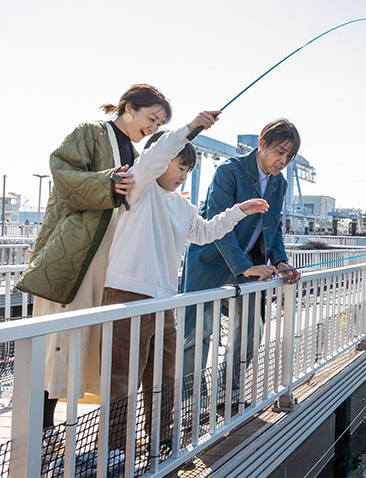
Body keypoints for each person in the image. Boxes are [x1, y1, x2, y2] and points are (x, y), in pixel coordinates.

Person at [101, 118, 270, 451]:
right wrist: (190, 128)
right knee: (122, 377)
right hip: (126, 294)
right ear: (163, 160)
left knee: (164, 375)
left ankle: (161, 440)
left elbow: (204, 233)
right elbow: (154, 156)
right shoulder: (141, 187)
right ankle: (116, 448)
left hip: (164, 299)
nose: (183, 175)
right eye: (181, 166)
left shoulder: (182, 205)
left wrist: (239, 211)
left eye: (188, 169)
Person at [15, 83, 171, 436]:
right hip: (77, 254)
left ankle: (67, 429)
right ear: (128, 107)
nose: (154, 127)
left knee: (86, 342)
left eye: (160, 123)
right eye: (152, 117)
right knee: (61, 340)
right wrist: (108, 183)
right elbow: (62, 173)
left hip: (109, 258)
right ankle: (41, 427)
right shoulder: (90, 133)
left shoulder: (132, 151)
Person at [180, 118, 302, 390]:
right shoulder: (229, 171)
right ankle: (189, 402)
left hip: (250, 266)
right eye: (279, 152)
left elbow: (275, 226)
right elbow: (216, 222)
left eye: (290, 155)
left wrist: (280, 260)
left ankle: (228, 391)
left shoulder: (278, 183)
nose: (283, 160)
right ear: (262, 144)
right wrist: (243, 266)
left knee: (250, 330)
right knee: (196, 334)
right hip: (210, 262)